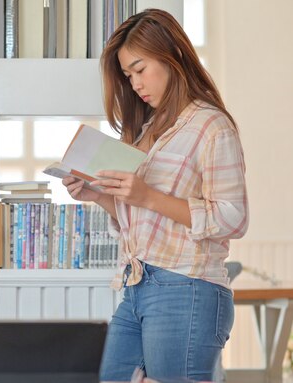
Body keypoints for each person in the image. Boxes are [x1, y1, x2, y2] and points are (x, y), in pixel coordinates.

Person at [62, 8, 249, 382]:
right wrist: (100, 196)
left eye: (140, 69)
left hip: (188, 288)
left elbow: (234, 217)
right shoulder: (148, 129)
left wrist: (147, 196)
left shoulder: (211, 126)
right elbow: (142, 214)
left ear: (172, 56)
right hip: (136, 284)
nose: (134, 84)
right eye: (128, 76)